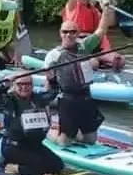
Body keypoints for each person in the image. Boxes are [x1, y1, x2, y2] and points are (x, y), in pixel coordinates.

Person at [43, 8, 115, 147]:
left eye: (72, 32)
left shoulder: (85, 46)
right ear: (60, 34)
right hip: (67, 99)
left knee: (90, 140)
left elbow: (100, 31)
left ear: (77, 33)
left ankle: (75, 134)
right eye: (65, 32)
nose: (69, 35)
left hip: (86, 97)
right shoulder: (53, 56)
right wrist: (45, 105)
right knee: (64, 143)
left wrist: (105, 11)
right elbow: (49, 82)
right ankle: (51, 133)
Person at [0, 77, 65, 175]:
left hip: (33, 144)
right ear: (14, 86)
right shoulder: (10, 101)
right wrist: (4, 86)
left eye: (27, 84)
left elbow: (52, 93)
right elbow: (0, 99)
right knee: (39, 168)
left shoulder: (37, 98)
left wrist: (52, 80)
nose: (24, 87)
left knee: (57, 165)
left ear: (32, 85)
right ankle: (11, 167)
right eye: (20, 84)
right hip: (14, 146)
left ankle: (24, 163)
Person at [62, 0, 125, 70]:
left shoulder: (95, 11)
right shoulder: (72, 7)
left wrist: (107, 9)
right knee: (93, 63)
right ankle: (92, 64)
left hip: (94, 44)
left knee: (119, 60)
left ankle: (105, 64)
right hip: (79, 44)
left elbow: (107, 26)